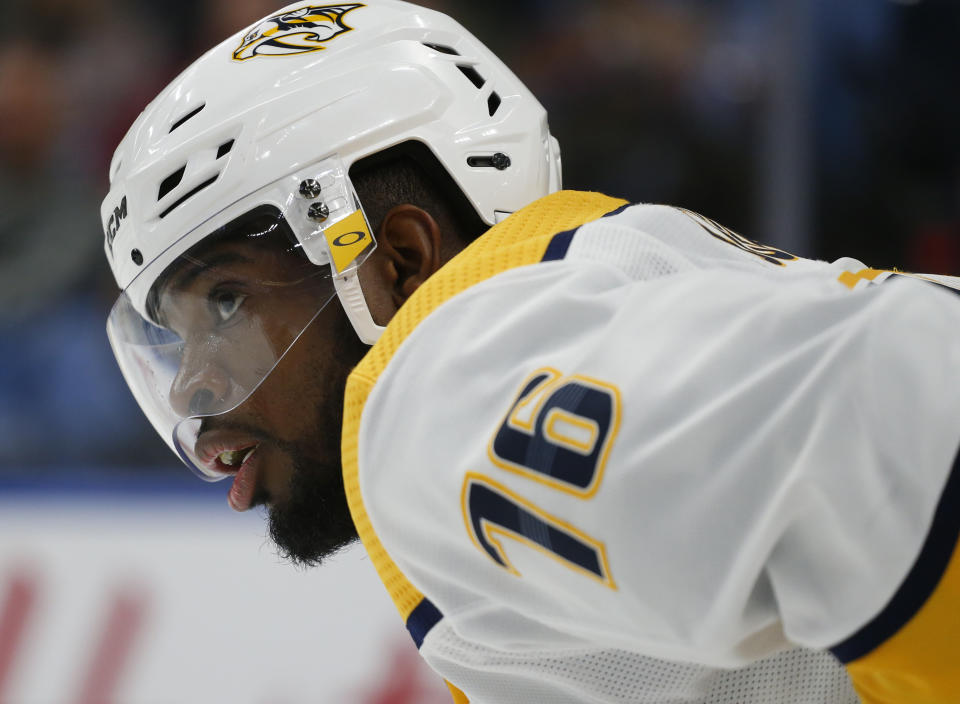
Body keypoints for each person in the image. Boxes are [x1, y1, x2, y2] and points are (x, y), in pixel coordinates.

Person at [100, 2, 960, 702]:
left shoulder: (438, 382)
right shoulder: (616, 274)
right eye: (174, 338)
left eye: (225, 302)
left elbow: (896, 404)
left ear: (396, 260)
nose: (190, 390)